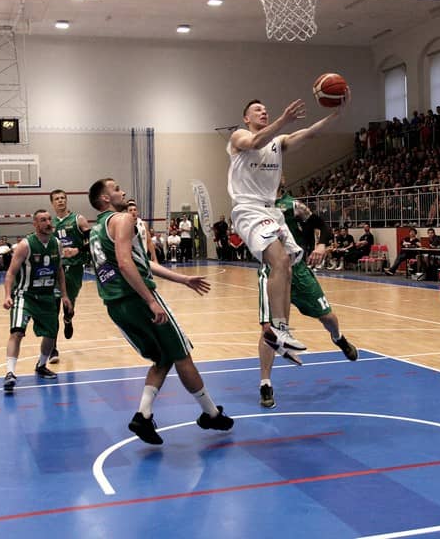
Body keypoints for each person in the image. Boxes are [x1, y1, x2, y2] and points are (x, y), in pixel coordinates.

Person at [88, 178, 233, 444]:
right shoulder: (123, 219)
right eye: (116, 188)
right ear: (105, 198)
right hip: (137, 297)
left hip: (115, 305)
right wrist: (150, 301)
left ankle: (143, 416)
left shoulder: (96, 230)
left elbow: (140, 262)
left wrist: (183, 279)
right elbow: (125, 263)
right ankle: (211, 414)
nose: (123, 191)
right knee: (182, 353)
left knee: (162, 357)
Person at [228, 95, 347, 364]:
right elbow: (254, 143)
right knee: (280, 261)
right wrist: (284, 120)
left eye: (265, 109)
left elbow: (309, 133)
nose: (263, 111)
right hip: (249, 208)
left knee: (288, 267)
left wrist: (336, 115)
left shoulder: (278, 142)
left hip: (271, 211)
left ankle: (280, 331)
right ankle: (278, 328)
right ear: (246, 118)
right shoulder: (239, 136)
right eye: (257, 109)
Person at [257, 185, 358, 408]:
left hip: (298, 271)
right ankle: (265, 384)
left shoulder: (292, 206)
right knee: (269, 329)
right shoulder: (254, 205)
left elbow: (323, 225)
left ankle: (338, 338)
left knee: (327, 317)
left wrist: (321, 245)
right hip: (272, 271)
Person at [1, 210, 72, 393]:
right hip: (25, 295)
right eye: (43, 220)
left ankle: (41, 365)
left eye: (49, 219)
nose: (48, 223)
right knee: (17, 332)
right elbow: (11, 273)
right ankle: (10, 373)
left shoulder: (57, 244)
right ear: (35, 224)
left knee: (51, 333)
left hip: (47, 296)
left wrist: (64, 295)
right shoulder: (25, 245)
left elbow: (59, 271)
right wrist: (7, 295)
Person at [50, 189, 91, 363]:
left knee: (68, 306)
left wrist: (78, 250)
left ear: (66, 200)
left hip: (74, 268)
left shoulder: (78, 219)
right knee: (52, 309)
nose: (60, 201)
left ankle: (68, 319)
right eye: (57, 199)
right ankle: (52, 349)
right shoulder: (49, 223)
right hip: (55, 269)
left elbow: (92, 241)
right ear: (52, 203)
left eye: (62, 198)